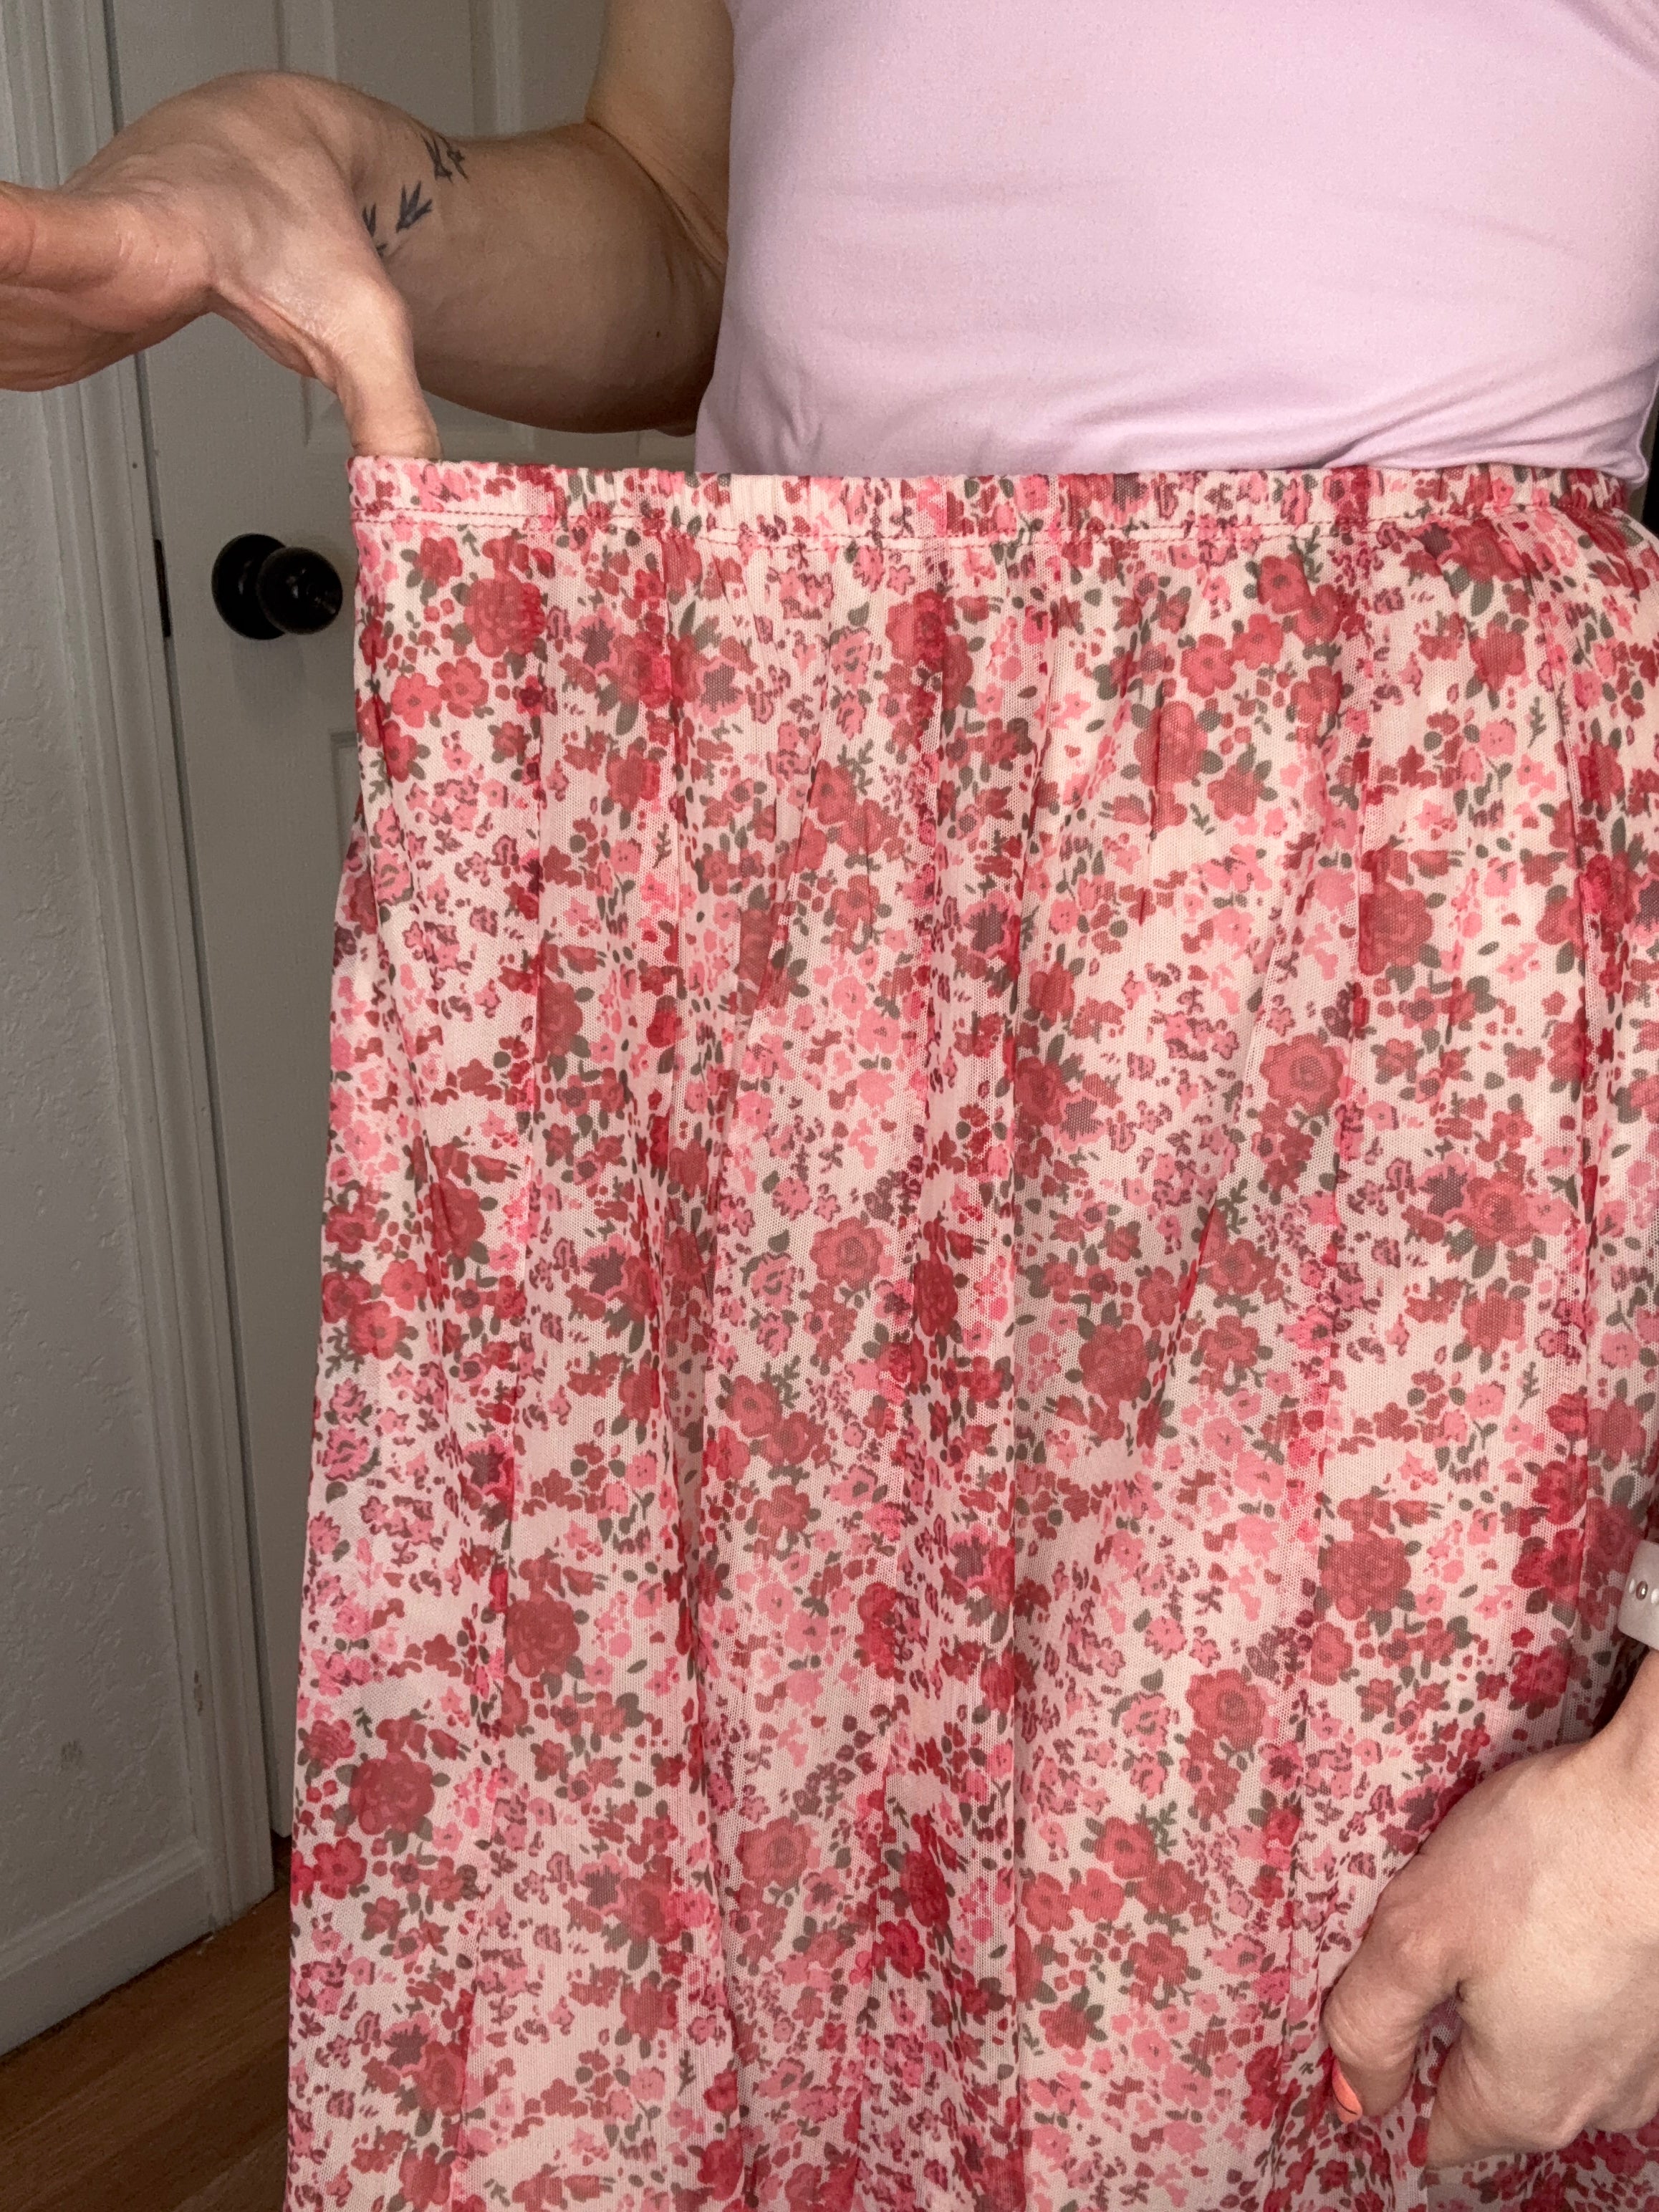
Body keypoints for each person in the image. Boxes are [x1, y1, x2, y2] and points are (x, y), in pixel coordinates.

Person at [6, 5, 1659, 2208]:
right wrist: (328, 173)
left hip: (1383, 931)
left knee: (1286, 2037)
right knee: (753, 1948)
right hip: (806, 867)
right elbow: (688, 226)